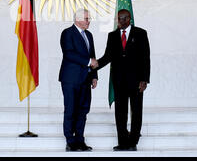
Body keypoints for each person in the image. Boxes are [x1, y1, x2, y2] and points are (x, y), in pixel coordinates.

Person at [95, 9, 150, 151]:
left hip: (137, 81)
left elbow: (145, 58)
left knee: (136, 111)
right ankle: (122, 142)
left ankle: (133, 142)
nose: (118, 21)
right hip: (119, 81)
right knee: (120, 112)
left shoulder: (140, 33)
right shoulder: (112, 36)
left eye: (121, 18)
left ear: (128, 19)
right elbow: (107, 57)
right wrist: (93, 68)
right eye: (118, 18)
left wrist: (144, 79)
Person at [59, 8, 98, 151]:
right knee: (71, 110)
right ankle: (70, 141)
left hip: (86, 80)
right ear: (78, 20)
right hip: (70, 79)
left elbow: (92, 55)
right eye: (87, 19)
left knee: (83, 111)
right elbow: (69, 54)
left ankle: (80, 140)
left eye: (89, 19)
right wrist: (89, 62)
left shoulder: (89, 35)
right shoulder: (67, 33)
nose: (89, 21)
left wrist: (94, 76)